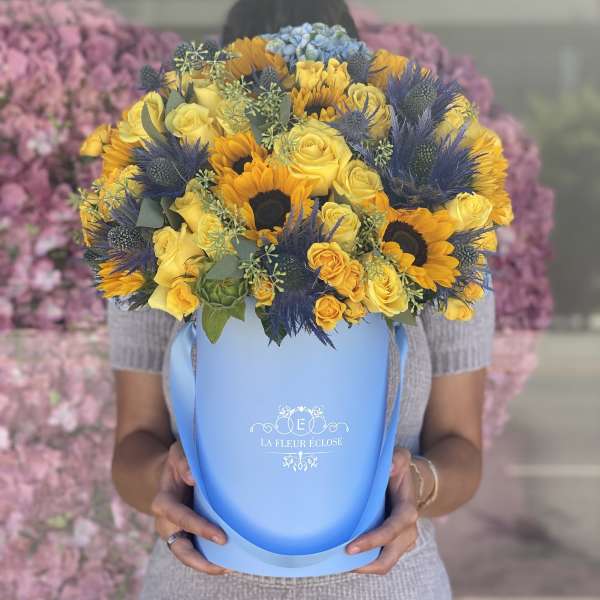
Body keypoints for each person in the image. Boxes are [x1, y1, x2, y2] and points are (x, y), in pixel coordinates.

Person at [109, 1, 495, 598]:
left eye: (312, 105)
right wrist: (161, 479)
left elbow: (462, 450)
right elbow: (134, 442)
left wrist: (421, 482)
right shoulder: (163, 231)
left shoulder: (435, 229)